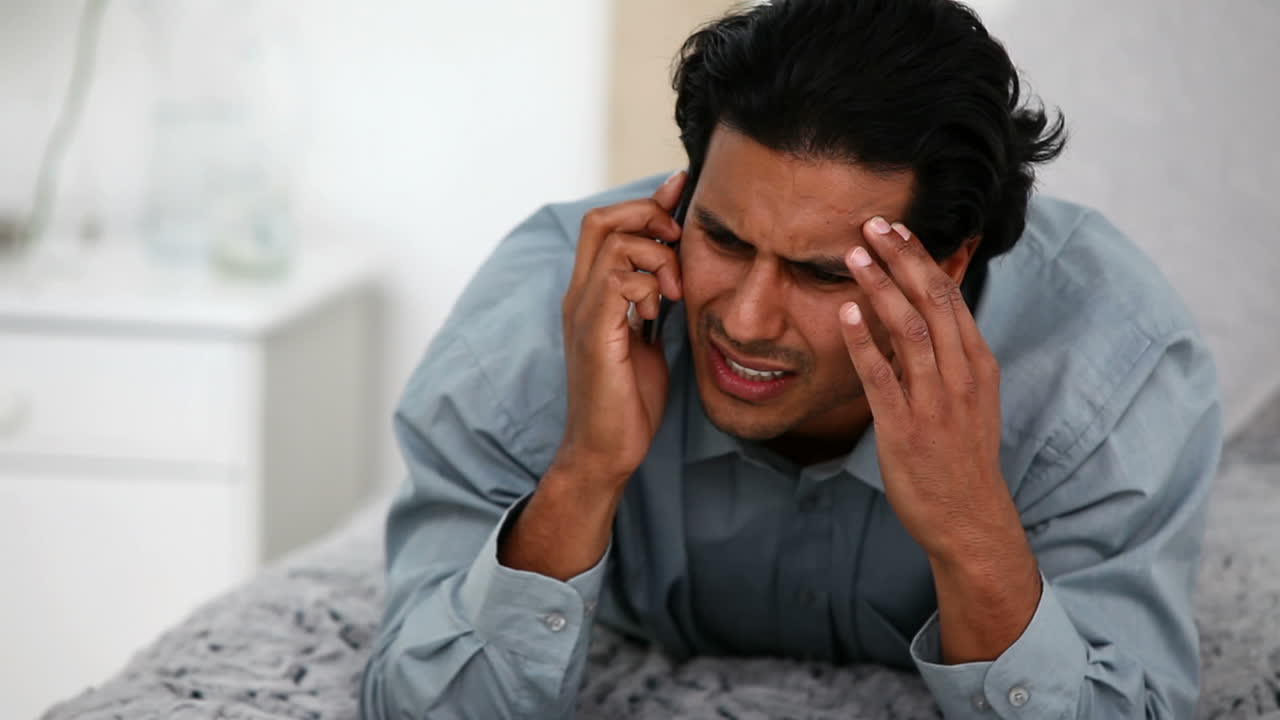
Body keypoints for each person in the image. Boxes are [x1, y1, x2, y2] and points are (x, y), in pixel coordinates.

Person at [359, 1, 1222, 717]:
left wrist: (969, 527)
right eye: (724, 238)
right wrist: (585, 468)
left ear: (948, 263)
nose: (745, 316)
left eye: (818, 273)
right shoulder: (537, 322)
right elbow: (419, 703)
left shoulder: (1111, 368)